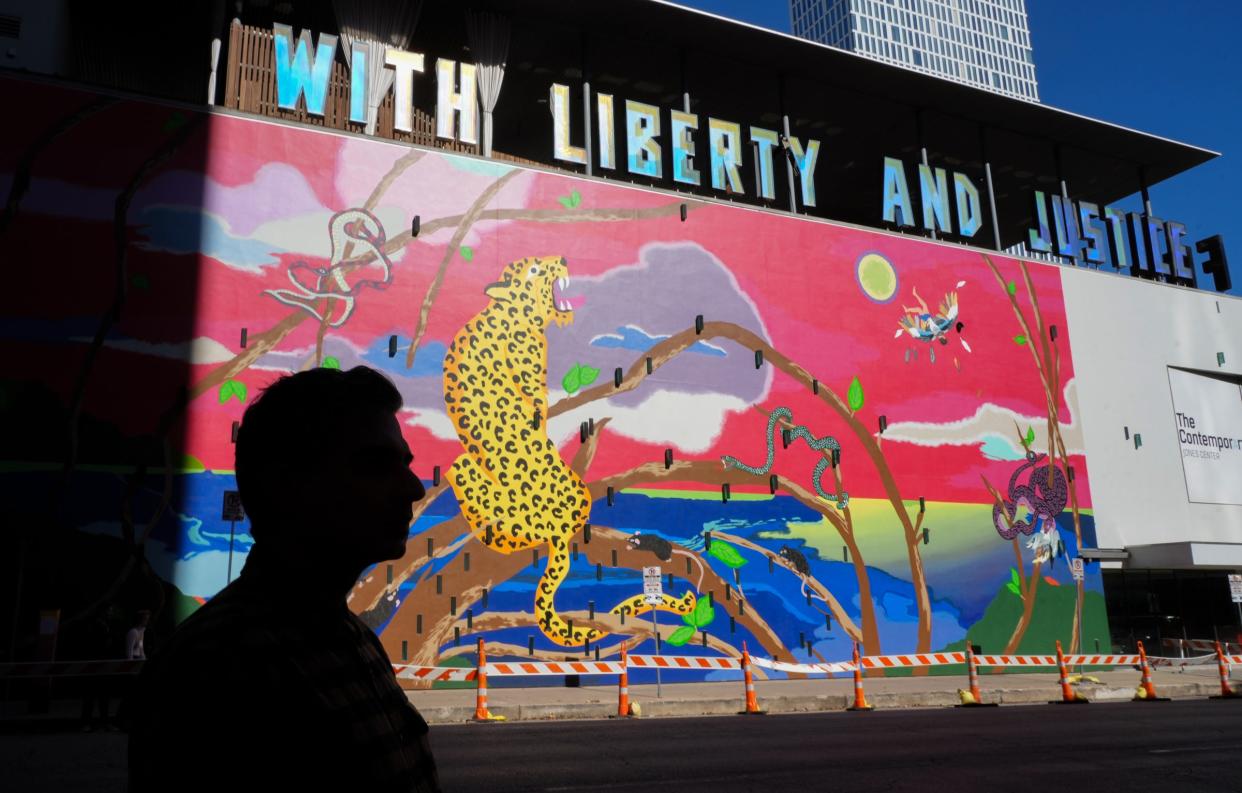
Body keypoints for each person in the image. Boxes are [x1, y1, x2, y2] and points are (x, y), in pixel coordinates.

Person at [128, 366, 437, 792]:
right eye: (375, 465)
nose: (413, 489)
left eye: (404, 463)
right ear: (286, 484)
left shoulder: (354, 640)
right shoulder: (217, 667)